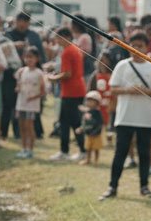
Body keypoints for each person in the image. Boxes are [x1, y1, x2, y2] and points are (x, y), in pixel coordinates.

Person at [98, 32, 151, 200]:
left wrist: (142, 91)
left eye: (140, 46)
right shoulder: (122, 65)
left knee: (144, 153)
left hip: (145, 118)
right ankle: (112, 186)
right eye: (133, 46)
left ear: (146, 48)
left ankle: (144, 186)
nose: (136, 50)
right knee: (120, 153)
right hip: (124, 116)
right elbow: (113, 88)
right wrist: (129, 90)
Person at [48, 26, 88, 160]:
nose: (57, 41)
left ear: (66, 37)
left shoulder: (67, 52)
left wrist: (53, 78)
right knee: (65, 122)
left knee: (74, 122)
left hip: (71, 91)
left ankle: (82, 151)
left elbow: (67, 74)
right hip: (77, 89)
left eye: (58, 38)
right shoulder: (75, 48)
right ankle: (64, 151)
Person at [3, 12, 43, 140]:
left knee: (31, 104)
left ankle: (33, 132)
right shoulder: (7, 35)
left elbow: (41, 55)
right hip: (10, 74)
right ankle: (3, 132)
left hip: (31, 75)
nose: (23, 24)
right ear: (16, 21)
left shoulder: (34, 35)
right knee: (9, 104)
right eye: (20, 20)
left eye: (26, 21)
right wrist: (13, 45)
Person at [14, 47, 46, 159]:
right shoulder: (22, 71)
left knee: (29, 126)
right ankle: (23, 148)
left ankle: (30, 149)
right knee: (21, 126)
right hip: (21, 103)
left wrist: (33, 97)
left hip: (32, 105)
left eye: (31, 57)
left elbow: (43, 91)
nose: (28, 59)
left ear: (37, 59)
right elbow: (18, 85)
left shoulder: (39, 73)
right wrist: (18, 88)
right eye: (26, 57)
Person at [77, 90, 104, 165]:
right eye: (88, 101)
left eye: (91, 101)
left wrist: (96, 131)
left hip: (96, 135)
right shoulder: (87, 112)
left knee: (96, 148)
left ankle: (96, 160)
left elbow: (100, 123)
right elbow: (84, 122)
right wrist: (81, 128)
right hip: (88, 134)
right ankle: (88, 160)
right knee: (88, 148)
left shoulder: (97, 112)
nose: (89, 103)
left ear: (97, 103)